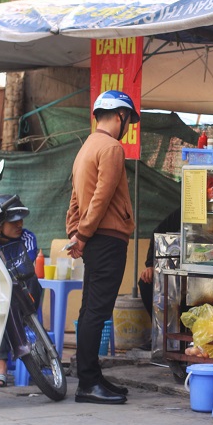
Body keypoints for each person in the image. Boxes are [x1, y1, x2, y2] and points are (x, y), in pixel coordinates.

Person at [66, 90, 139, 405]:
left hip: (94, 238)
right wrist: (82, 235)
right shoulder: (111, 147)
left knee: (89, 310)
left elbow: (75, 199)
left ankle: (91, 377)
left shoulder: (86, 148)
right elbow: (102, 196)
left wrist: (76, 232)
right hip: (107, 239)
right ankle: (88, 383)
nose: (128, 126)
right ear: (120, 116)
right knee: (97, 311)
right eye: (128, 120)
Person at [0, 195, 42, 388]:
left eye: (21, 220)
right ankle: (1, 367)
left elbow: (26, 267)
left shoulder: (27, 237)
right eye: (13, 221)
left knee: (30, 281)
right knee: (0, 309)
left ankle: (2, 369)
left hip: (24, 299)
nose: (19, 224)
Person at [138, 207, 182, 326]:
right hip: (179, 272)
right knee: (146, 283)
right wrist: (150, 265)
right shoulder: (186, 211)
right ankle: (159, 330)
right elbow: (158, 232)